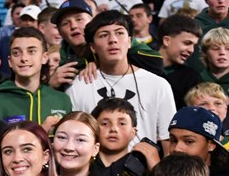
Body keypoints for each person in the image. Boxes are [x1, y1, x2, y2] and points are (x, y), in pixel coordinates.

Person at [66, 10, 175, 151]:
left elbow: (168, 140)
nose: (113, 40)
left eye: (119, 33)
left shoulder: (158, 85)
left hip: (145, 169)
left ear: (129, 41)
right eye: (104, 35)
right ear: (93, 47)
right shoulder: (78, 86)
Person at [0, 27, 71, 128]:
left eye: (31, 51)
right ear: (10, 61)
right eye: (16, 53)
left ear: (44, 57)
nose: (24, 58)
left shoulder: (62, 100)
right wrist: (42, 131)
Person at [158, 14, 203, 108]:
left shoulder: (192, 78)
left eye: (194, 45)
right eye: (187, 43)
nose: (191, 50)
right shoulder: (138, 68)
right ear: (166, 40)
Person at [199, 27, 229, 104]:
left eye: (228, 49)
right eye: (215, 48)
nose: (222, 52)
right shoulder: (196, 81)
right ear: (205, 52)